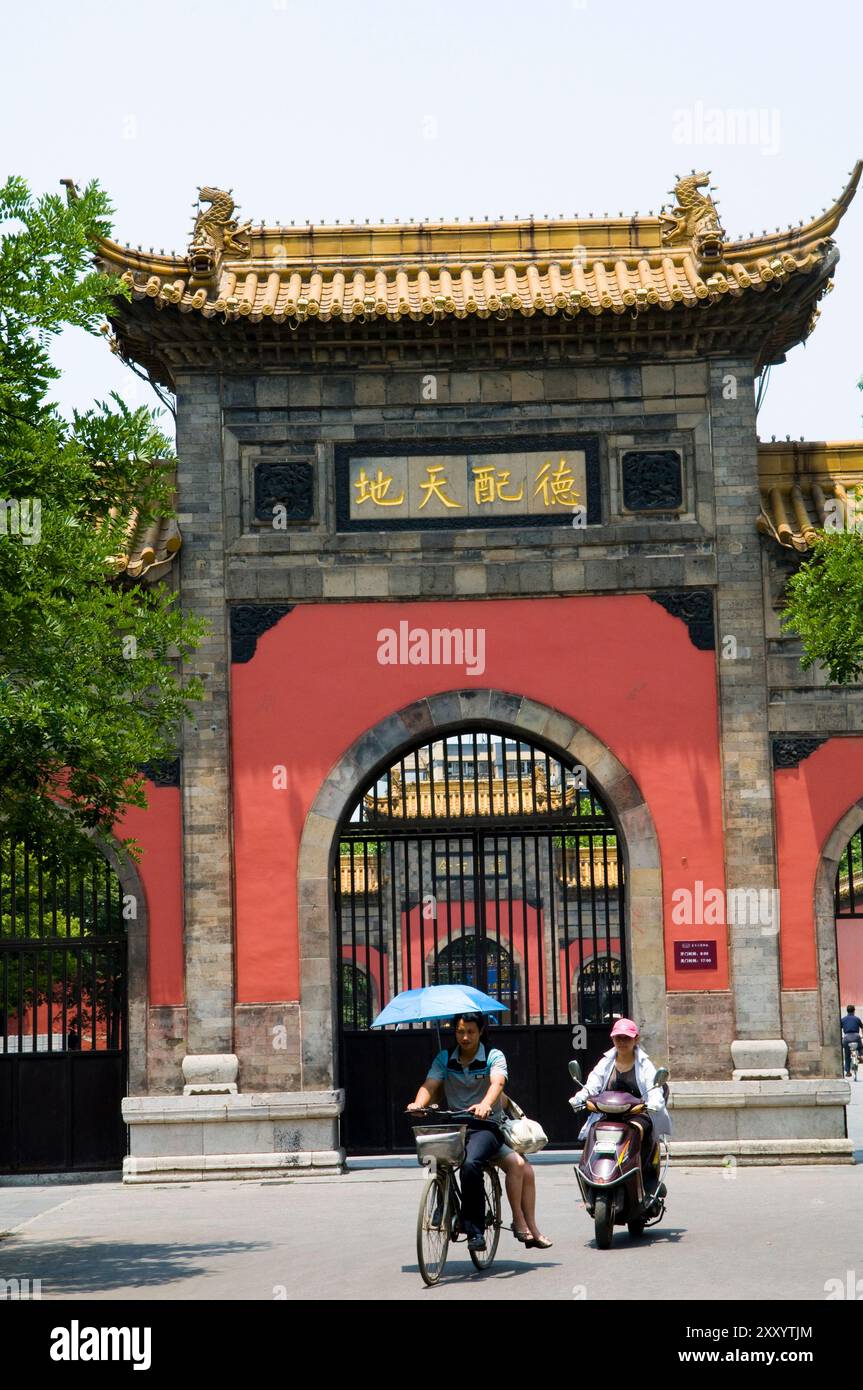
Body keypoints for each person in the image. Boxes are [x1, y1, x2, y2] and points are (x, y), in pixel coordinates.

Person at [407, 1012, 549, 1252]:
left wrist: (485, 1104)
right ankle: (443, 1203)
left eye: (470, 1031)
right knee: (433, 1157)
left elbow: (498, 1083)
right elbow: (430, 1085)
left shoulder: (493, 1056)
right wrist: (418, 1104)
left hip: (485, 1127)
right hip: (455, 1125)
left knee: (471, 1164)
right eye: (460, 1031)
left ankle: (475, 1231)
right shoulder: (444, 1059)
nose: (465, 1037)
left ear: (481, 1031)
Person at [569, 1017, 671, 1187]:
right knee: (594, 1131)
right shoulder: (606, 1062)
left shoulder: (645, 1065)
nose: (622, 1042)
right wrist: (579, 1097)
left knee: (637, 1130)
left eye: (627, 1038)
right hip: (609, 1113)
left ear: (636, 1039)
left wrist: (653, 1103)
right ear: (613, 1039)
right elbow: (593, 1085)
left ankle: (644, 1173)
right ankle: (589, 1170)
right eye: (618, 1038)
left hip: (638, 1113)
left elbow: (654, 1088)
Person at [841, 1004, 863, 1077]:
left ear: (847, 1011)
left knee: (847, 1055)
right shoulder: (857, 1019)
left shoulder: (843, 1019)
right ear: (854, 1011)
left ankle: (847, 1072)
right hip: (856, 1037)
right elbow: (862, 1028)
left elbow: (838, 1029)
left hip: (846, 1038)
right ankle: (860, 1055)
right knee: (860, 1047)